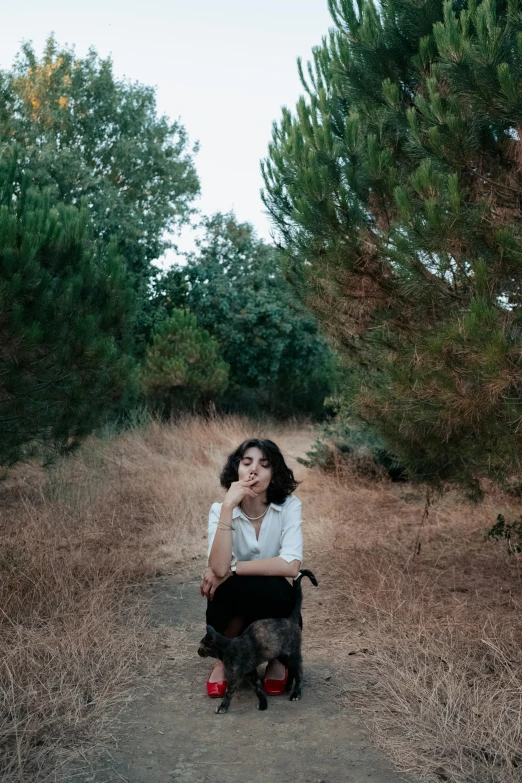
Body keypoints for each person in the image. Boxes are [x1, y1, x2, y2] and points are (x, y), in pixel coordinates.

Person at [200, 438, 303, 698]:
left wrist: (233, 570)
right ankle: (224, 659)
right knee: (225, 589)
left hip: (274, 601)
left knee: (272, 584)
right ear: (237, 469)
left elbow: (291, 565)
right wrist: (227, 508)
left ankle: (276, 658)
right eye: (246, 463)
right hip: (237, 602)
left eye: (264, 464)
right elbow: (218, 566)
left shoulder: (289, 506)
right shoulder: (220, 510)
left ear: (274, 473)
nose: (253, 470)